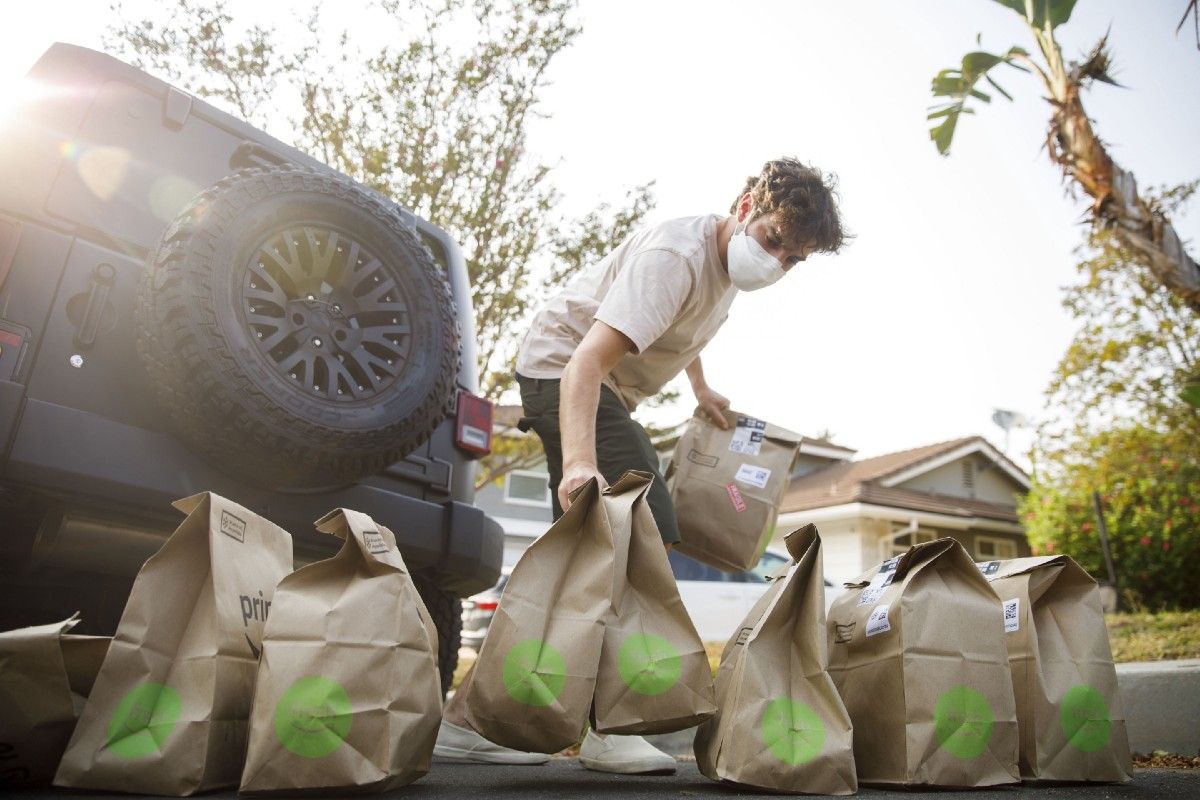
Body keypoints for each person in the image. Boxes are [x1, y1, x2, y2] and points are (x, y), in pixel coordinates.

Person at [435, 157, 848, 773]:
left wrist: (700, 388)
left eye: (793, 259)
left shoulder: (724, 272)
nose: (776, 261)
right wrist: (579, 464)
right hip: (565, 372)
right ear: (745, 207)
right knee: (640, 528)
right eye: (773, 240)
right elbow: (584, 363)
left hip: (599, 387)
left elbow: (678, 331)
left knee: (590, 555)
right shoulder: (675, 258)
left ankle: (469, 720)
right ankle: (609, 725)